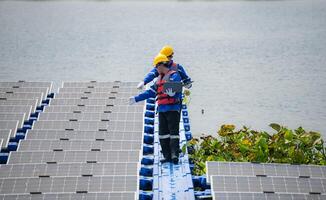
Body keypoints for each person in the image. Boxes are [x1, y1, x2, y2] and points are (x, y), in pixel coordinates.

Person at [130, 54, 182, 164]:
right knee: (163, 133)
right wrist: (136, 99)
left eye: (156, 67)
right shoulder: (159, 79)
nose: (156, 70)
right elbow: (151, 92)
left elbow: (178, 89)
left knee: (174, 133)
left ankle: (174, 155)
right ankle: (167, 155)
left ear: (161, 65)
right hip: (162, 109)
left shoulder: (174, 75)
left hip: (173, 109)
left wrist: (173, 93)